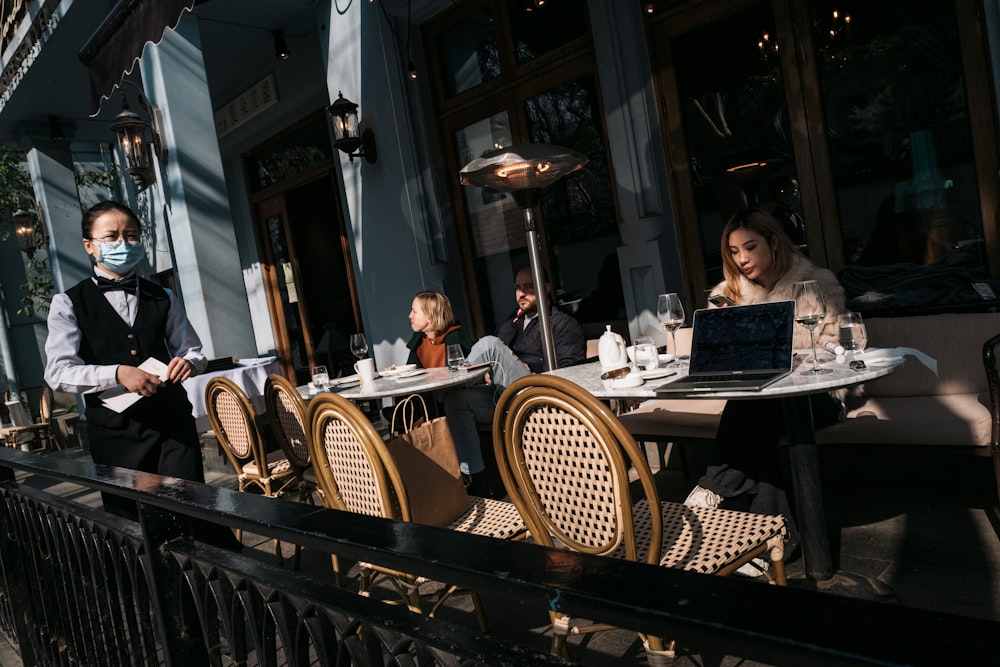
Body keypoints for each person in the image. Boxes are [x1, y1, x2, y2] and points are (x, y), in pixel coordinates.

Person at [43, 201, 238, 550]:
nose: (123, 243)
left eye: (131, 235)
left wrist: (189, 363)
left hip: (172, 426)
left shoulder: (162, 295)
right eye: (112, 236)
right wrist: (117, 373)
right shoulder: (68, 303)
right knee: (133, 530)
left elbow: (193, 350)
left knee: (192, 513)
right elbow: (58, 372)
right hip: (117, 435)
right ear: (90, 245)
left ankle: (212, 593)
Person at [689, 208, 845, 574]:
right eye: (733, 251)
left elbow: (840, 348)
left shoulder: (815, 283)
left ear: (773, 243)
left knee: (758, 409)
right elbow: (719, 356)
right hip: (764, 404)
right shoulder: (727, 295)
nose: (741, 259)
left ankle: (714, 487)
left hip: (817, 398)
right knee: (763, 419)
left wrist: (791, 358)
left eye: (750, 247)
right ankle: (769, 545)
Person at [442, 266, 585, 496]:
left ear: (545, 288)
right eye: (518, 287)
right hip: (504, 393)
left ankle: (444, 385)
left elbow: (572, 370)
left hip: (538, 393)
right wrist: (487, 371)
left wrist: (533, 366)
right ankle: (476, 477)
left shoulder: (561, 322)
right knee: (456, 399)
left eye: (529, 287)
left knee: (489, 343)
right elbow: (499, 358)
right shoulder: (513, 322)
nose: (521, 293)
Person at [405, 291, 473, 368]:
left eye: (414, 311)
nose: (410, 316)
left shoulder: (458, 341)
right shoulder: (418, 342)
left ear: (429, 316)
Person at [771, 175, 807, 251]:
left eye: (795, 191)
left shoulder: (796, 216)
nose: (793, 195)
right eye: (791, 191)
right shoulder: (777, 218)